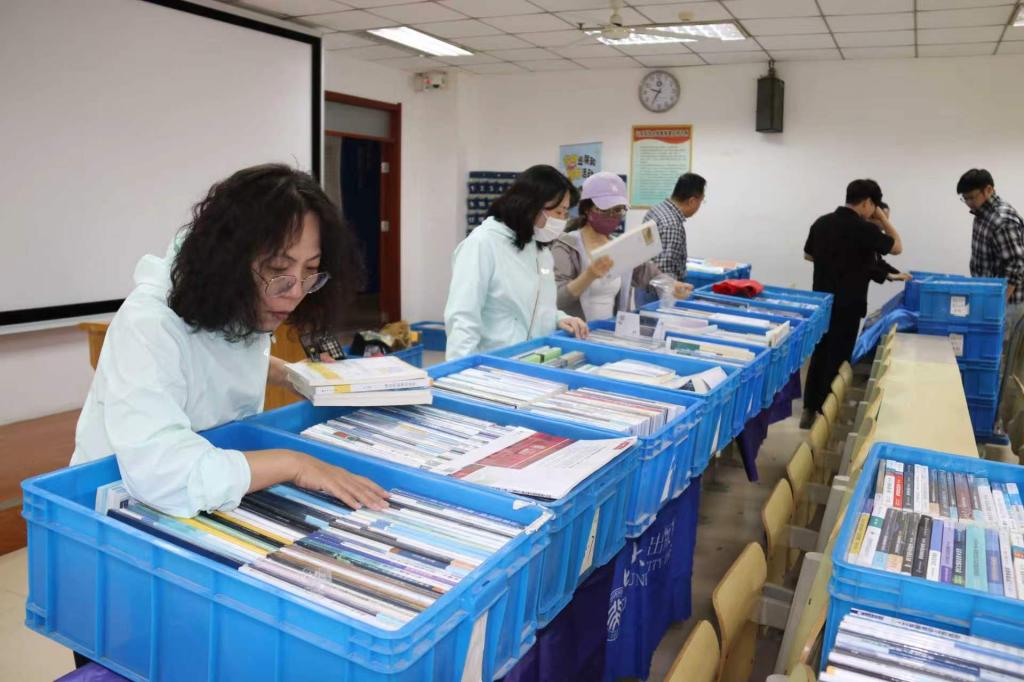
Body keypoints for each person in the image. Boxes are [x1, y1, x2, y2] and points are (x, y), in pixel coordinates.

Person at [71, 164, 390, 517]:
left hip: (213, 480)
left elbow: (217, 358)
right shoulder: (148, 324)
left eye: (310, 270)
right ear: (229, 262)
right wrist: (295, 464)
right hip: (123, 503)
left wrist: (292, 375)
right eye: (277, 269)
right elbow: (164, 475)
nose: (296, 291)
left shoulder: (238, 303)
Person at [444, 164, 589, 359]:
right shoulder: (482, 243)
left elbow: (535, 304)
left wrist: (559, 317)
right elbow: (463, 318)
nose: (563, 220)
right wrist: (462, 370)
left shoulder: (539, 247)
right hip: (493, 363)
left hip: (534, 358)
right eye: (559, 212)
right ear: (533, 204)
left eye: (565, 213)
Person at [800, 179, 904, 429]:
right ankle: (826, 416)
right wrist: (882, 218)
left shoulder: (822, 222)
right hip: (848, 304)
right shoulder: (864, 229)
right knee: (838, 359)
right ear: (868, 203)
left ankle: (809, 409)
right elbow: (897, 247)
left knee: (820, 354)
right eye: (874, 206)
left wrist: (833, 263)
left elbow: (808, 254)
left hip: (822, 303)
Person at [552, 172, 692, 321]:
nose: (612, 215)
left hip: (608, 330)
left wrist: (672, 286)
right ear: (587, 208)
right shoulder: (566, 246)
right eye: (605, 210)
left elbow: (649, 274)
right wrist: (589, 275)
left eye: (618, 210)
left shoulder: (619, 246)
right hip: (574, 331)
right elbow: (556, 299)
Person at [957, 168, 1024, 343]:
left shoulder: (1002, 220)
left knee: (1002, 354)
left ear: (989, 189)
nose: (969, 203)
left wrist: (999, 303)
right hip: (990, 298)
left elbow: (1015, 265)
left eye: (972, 197)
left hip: (1009, 304)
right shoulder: (982, 214)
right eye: (965, 199)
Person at [643, 172, 707, 282]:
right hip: (657, 288)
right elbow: (664, 274)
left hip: (644, 282)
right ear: (692, 201)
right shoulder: (672, 225)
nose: (699, 205)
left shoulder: (657, 209)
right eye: (701, 201)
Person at [868, 202, 912, 284]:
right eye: (882, 219)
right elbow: (864, 265)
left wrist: (897, 274)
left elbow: (877, 261)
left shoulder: (874, 236)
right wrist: (889, 275)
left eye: (887, 220)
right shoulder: (864, 233)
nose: (886, 224)